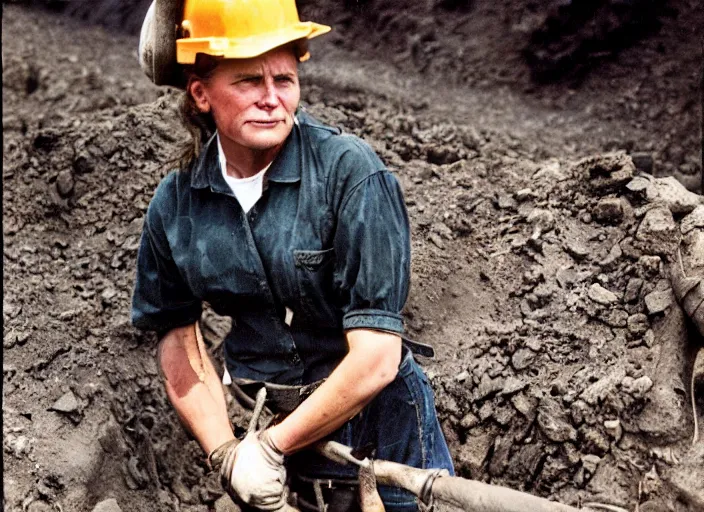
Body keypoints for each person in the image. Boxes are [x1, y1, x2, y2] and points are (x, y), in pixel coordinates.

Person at [131, 1, 454, 510]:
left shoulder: (350, 174)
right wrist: (227, 457)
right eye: (247, 81)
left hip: (378, 436)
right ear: (200, 94)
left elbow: (376, 357)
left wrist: (269, 448)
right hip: (271, 437)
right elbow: (178, 336)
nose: (271, 99)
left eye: (284, 79)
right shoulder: (176, 205)